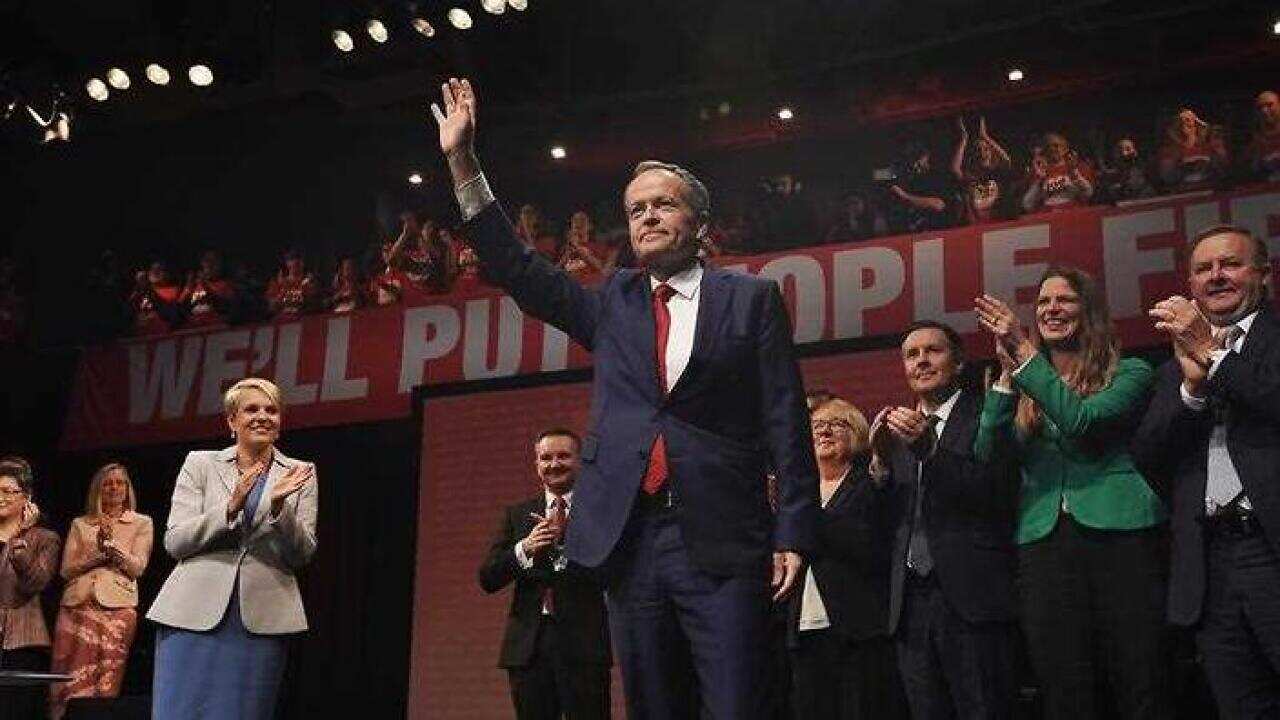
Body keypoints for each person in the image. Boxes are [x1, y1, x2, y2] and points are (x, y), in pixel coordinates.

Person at [432, 78, 817, 719]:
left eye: (664, 205)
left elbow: (785, 419)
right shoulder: (614, 300)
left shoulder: (750, 299)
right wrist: (463, 163)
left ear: (700, 224)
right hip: (632, 541)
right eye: (637, 209)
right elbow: (520, 271)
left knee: (738, 705)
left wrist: (794, 533)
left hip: (725, 537)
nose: (647, 217)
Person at [974, 268, 1169, 720]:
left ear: (1089, 311)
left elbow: (1081, 423)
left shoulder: (1132, 373)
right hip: (1043, 544)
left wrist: (1026, 356)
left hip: (1120, 536)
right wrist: (1006, 379)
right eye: (1043, 302)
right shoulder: (1025, 382)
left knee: (1140, 676)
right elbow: (989, 458)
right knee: (1062, 684)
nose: (1052, 309)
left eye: (1064, 300)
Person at [1134, 224, 1280, 719]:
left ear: (1264, 274)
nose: (1216, 276)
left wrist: (1215, 356)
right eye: (1203, 269)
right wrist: (1192, 391)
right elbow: (1148, 455)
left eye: (1230, 264)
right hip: (1209, 562)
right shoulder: (1172, 368)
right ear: (1191, 284)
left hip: (1270, 549)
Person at [869, 321, 1018, 720]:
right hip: (909, 605)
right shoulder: (894, 432)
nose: (921, 361)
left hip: (972, 597)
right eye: (911, 355)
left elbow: (994, 492)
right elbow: (884, 524)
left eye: (933, 351)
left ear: (959, 363)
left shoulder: (988, 412)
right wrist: (880, 466)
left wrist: (930, 450)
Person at [146, 377, 318, 719]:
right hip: (190, 614)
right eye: (251, 409)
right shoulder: (200, 464)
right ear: (232, 421)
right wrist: (228, 508)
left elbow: (302, 554)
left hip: (261, 618)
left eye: (271, 410)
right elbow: (175, 541)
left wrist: (280, 510)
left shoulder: (301, 473)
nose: (262, 416)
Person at [478, 428, 612, 719]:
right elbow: (488, 578)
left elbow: (613, 570)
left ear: (579, 461)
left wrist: (566, 543)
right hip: (528, 649)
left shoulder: (599, 512)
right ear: (537, 464)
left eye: (563, 456)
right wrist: (524, 548)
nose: (554, 464)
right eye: (546, 458)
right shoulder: (518, 514)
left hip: (585, 645)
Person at [789, 397, 903, 720]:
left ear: (857, 433)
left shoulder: (870, 484)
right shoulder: (795, 494)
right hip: (802, 629)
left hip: (856, 629)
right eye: (816, 426)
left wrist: (805, 516)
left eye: (836, 424)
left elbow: (867, 543)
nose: (824, 431)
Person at [49, 463, 154, 720]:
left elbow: (137, 568)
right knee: (65, 677)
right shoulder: (80, 524)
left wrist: (112, 548)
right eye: (107, 483)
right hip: (76, 605)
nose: (114, 488)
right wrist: (97, 556)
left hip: (117, 608)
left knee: (106, 677)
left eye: (120, 483)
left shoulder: (141, 522)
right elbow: (66, 570)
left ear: (127, 489)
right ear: (98, 489)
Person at [0, 456, 61, 720]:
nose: (0, 497)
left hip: (22, 642)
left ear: (26, 497)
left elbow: (35, 582)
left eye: (7, 491)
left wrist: (20, 536)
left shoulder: (45, 539)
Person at [951, 116, 1016, 225]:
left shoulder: (996, 173)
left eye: (986, 149)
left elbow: (1006, 161)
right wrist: (964, 139)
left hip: (998, 222)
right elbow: (955, 169)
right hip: (977, 224)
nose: (982, 153)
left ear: (991, 153)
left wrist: (985, 136)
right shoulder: (971, 177)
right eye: (978, 150)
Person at [1156, 108, 1230, 193]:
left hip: (1211, 192)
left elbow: (1224, 171)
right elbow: (1167, 178)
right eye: (1184, 120)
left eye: (1191, 119)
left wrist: (1220, 151)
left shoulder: (1208, 147)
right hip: (1183, 194)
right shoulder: (1169, 150)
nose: (1188, 123)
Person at [887, 142, 955, 233]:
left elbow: (938, 205)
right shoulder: (904, 172)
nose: (914, 166)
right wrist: (892, 173)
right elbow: (876, 176)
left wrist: (905, 197)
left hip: (932, 230)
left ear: (926, 157)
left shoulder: (937, 178)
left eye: (918, 161)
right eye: (911, 161)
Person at [1022, 132, 1095, 212]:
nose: (1053, 149)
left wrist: (1074, 173)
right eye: (1049, 147)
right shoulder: (1039, 172)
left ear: (1066, 148)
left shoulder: (1080, 167)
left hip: (1074, 213)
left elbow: (1088, 194)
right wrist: (1041, 180)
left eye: (1056, 145)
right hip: (1049, 215)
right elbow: (1027, 205)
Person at [180, 249, 239, 328]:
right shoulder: (194, 285)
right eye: (207, 261)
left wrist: (205, 285)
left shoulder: (227, 285)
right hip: (195, 327)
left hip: (217, 327)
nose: (209, 265)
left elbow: (227, 307)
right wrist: (188, 287)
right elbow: (182, 307)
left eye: (214, 261)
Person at [128, 259, 183, 336]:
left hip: (161, 333)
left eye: (159, 269)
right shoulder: (140, 292)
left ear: (166, 273)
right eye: (152, 269)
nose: (155, 272)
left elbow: (167, 310)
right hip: (140, 333)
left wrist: (149, 290)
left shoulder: (173, 290)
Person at [1098, 136, 1157, 204]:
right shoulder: (1109, 177)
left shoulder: (1144, 172)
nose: (1124, 153)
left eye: (1128, 149)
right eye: (1119, 151)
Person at [265, 249, 319, 320]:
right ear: (286, 263)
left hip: (304, 319)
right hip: (282, 320)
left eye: (298, 259)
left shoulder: (310, 282)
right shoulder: (276, 282)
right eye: (291, 259)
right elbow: (271, 306)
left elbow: (312, 303)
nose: (295, 262)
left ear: (302, 263)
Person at [1245, 90, 1280, 183]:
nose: (1264, 110)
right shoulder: (1258, 135)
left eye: (1269, 105)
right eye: (1260, 107)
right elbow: (1252, 165)